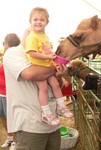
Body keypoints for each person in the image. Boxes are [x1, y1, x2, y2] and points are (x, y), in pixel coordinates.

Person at [3, 27, 70, 150]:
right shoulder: (14, 53)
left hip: (53, 126)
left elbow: (56, 88)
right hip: (30, 126)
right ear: (28, 35)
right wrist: (54, 68)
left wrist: (59, 76)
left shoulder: (43, 56)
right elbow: (30, 74)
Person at [26, 7, 73, 126]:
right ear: (30, 21)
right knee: (44, 88)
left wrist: (52, 57)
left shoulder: (45, 36)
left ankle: (61, 107)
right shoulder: (32, 36)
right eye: (35, 19)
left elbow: (45, 50)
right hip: (37, 68)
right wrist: (48, 57)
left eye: (42, 20)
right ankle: (46, 114)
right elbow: (31, 53)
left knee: (56, 84)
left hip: (47, 67)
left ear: (46, 22)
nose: (38, 22)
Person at [0, 33, 20, 150]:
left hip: (9, 94)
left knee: (11, 118)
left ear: (7, 44)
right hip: (1, 93)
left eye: (4, 43)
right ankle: (9, 138)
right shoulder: (5, 56)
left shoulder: (13, 57)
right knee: (3, 116)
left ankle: (15, 141)